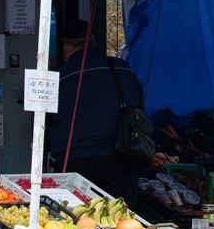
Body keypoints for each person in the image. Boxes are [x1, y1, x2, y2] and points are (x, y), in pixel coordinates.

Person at [47, 19, 145, 200]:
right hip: (118, 158)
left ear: (66, 47)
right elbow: (139, 109)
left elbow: (44, 125)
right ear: (92, 42)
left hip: (73, 160)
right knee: (121, 213)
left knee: (75, 213)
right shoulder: (122, 69)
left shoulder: (58, 78)